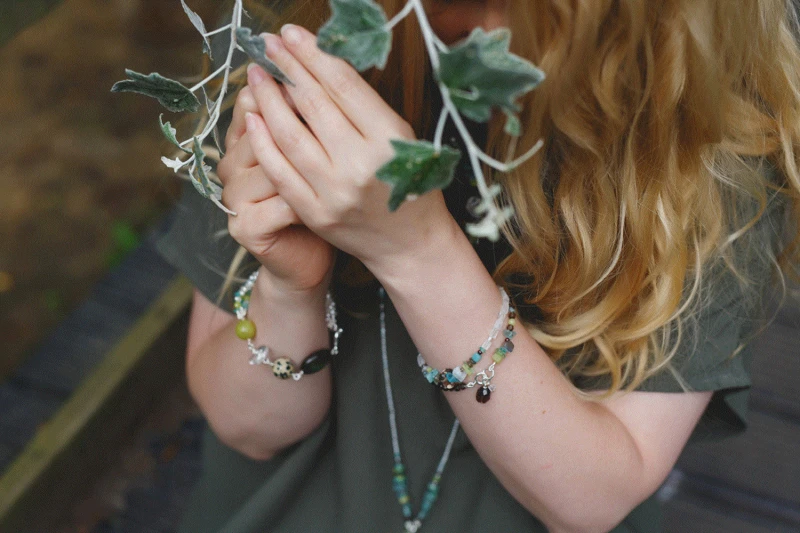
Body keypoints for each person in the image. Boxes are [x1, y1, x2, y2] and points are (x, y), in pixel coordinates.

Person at [154, 0, 800, 531]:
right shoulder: (301, 59)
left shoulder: (715, 149)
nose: (484, 33)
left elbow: (593, 495)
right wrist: (288, 286)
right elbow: (247, 426)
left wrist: (416, 252)